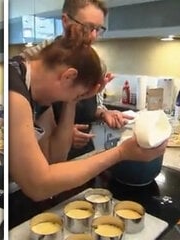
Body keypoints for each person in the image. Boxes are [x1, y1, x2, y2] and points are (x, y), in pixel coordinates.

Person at [9, 24, 167, 201]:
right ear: (68, 76)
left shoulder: (37, 93)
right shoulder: (14, 91)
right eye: (77, 94)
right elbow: (38, 186)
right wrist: (121, 153)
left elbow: (55, 157)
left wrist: (72, 100)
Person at [22, 0, 133, 160]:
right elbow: (23, 125)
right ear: (66, 21)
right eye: (87, 27)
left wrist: (103, 113)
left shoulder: (96, 64)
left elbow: (91, 103)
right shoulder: (34, 61)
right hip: (43, 157)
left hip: (84, 154)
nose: (93, 36)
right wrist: (63, 134)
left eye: (98, 29)